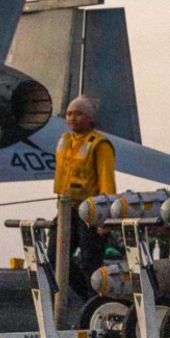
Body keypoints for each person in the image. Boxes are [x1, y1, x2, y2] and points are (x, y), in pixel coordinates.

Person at [51, 96, 118, 300]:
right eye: (69, 114)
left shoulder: (100, 144)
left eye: (78, 114)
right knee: (54, 257)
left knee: (91, 263)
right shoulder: (65, 141)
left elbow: (107, 182)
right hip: (66, 209)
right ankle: (90, 300)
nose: (72, 118)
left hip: (90, 212)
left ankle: (95, 305)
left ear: (89, 118)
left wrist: (105, 218)